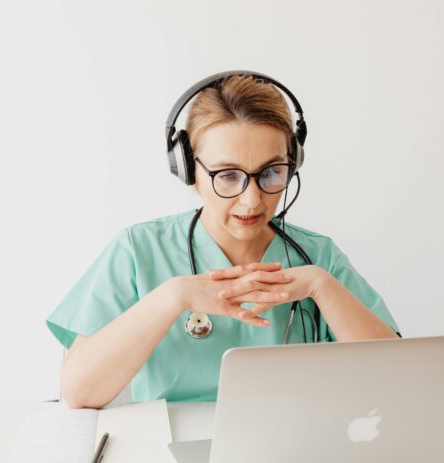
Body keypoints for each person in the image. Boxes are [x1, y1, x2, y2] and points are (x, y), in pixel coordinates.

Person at [46, 72, 400, 410]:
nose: (252, 200)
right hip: (172, 456)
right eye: (227, 176)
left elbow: (397, 381)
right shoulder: (139, 250)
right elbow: (78, 393)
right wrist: (173, 297)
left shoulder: (318, 257)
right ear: (188, 170)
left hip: (294, 452)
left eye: (271, 172)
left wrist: (323, 287)